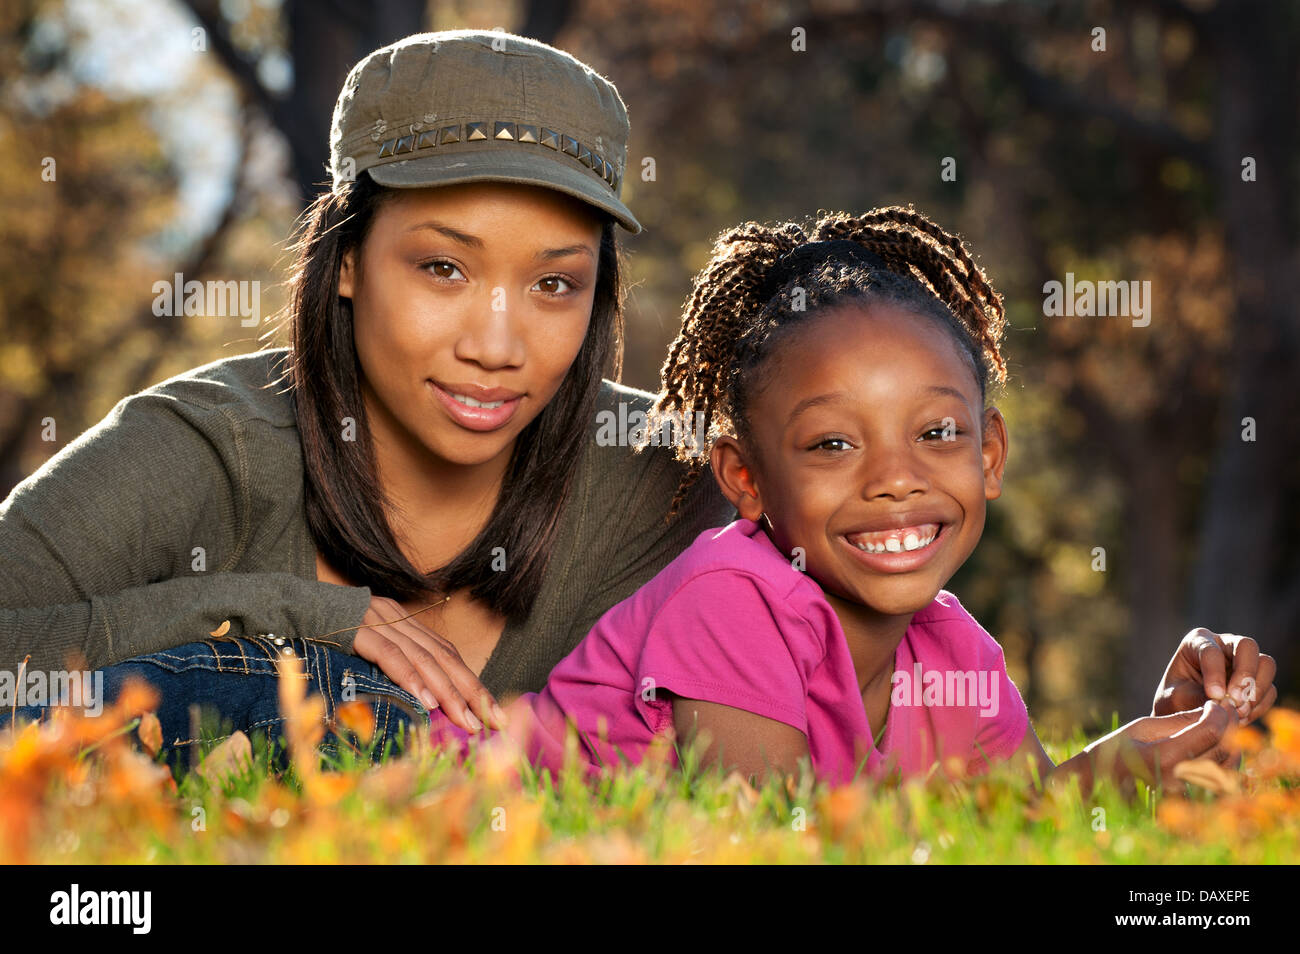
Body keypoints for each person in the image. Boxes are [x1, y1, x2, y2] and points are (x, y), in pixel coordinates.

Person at [0, 30, 734, 759]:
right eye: (444, 267)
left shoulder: (672, 476)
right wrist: (287, 616)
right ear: (346, 259)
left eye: (554, 284)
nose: (496, 347)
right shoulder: (206, 446)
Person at [431, 207, 1277, 792]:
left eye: (938, 434)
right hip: (404, 761)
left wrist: (1158, 743)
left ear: (989, 454)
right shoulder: (733, 596)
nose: (895, 478)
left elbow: (1020, 819)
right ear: (746, 480)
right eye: (833, 444)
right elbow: (776, 833)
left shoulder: (957, 658)